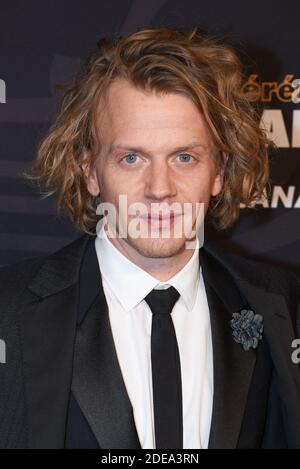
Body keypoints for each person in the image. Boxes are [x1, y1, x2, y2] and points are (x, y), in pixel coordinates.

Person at [0, 26, 299, 449]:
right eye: (132, 157)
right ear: (89, 170)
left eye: (184, 157)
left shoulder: (284, 309)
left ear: (218, 171)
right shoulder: (6, 316)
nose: (160, 188)